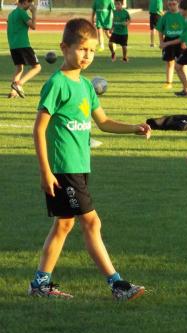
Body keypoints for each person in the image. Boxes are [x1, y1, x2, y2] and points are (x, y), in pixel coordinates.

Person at [29, 18, 150, 300]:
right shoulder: (57, 84)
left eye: (92, 50)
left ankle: (40, 284)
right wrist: (46, 171)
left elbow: (104, 122)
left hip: (80, 167)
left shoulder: (85, 86)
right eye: (82, 49)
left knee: (64, 224)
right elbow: (39, 128)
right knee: (91, 223)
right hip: (64, 168)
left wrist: (134, 128)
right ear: (64, 47)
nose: (87, 56)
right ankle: (117, 284)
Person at [6, 0, 41, 99]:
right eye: (30, 3)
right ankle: (19, 84)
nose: (31, 5)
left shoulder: (11, 14)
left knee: (19, 68)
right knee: (37, 67)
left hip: (13, 46)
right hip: (23, 45)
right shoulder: (22, 13)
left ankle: (13, 92)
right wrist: (34, 13)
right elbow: (33, 26)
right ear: (25, 2)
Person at [156, 0, 186, 89]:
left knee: (183, 63)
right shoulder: (165, 16)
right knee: (169, 62)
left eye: (174, 4)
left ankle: (186, 82)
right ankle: (169, 82)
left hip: (181, 41)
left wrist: (185, 42)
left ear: (178, 4)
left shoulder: (183, 15)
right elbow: (160, 30)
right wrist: (161, 42)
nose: (172, 6)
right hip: (168, 40)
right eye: (169, 4)